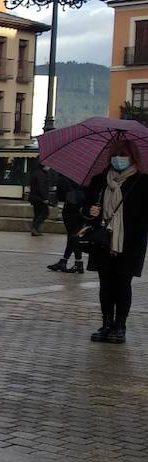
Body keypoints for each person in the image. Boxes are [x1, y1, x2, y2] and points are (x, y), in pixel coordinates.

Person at [84, 142, 147, 344]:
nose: (118, 159)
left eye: (123, 155)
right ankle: (106, 324)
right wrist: (89, 211)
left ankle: (120, 326)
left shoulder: (142, 182)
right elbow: (85, 207)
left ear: (132, 157)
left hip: (130, 243)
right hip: (103, 241)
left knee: (122, 284)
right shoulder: (99, 180)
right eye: (115, 154)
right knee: (105, 285)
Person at [48, 174, 86, 273]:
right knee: (73, 236)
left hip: (70, 210)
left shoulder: (66, 175)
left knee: (73, 236)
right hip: (83, 209)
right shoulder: (87, 175)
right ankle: (64, 261)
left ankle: (78, 263)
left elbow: (60, 196)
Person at [29, 162, 51, 236]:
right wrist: (45, 198)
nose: (49, 167)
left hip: (35, 197)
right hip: (39, 198)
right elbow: (41, 187)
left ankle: (35, 229)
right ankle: (35, 228)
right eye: (48, 165)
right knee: (45, 213)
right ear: (44, 166)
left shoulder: (37, 173)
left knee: (37, 214)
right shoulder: (41, 175)